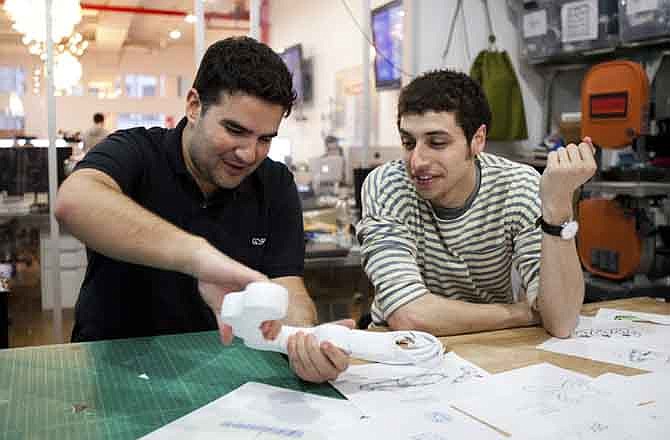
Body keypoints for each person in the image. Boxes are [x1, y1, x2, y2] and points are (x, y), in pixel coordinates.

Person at [55, 37, 350, 383]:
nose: (248, 154)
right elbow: (74, 200)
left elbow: (289, 288)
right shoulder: (136, 152)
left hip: (224, 372)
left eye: (264, 139)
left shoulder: (274, 183)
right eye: (235, 130)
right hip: (115, 373)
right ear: (194, 106)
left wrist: (302, 341)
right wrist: (198, 257)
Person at [357, 70, 596, 338]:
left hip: (488, 346)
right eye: (408, 142)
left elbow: (561, 322)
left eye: (437, 143)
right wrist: (522, 313)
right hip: (402, 348)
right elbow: (408, 315)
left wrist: (558, 206)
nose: (417, 161)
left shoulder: (516, 186)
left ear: (477, 140)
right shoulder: (388, 185)